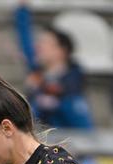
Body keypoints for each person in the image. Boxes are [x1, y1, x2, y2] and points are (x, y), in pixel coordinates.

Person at [14, 1, 93, 129]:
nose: (39, 47)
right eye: (39, 42)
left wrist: (45, 91)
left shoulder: (74, 77)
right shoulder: (37, 71)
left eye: (45, 43)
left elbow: (81, 121)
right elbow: (25, 41)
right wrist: (22, 10)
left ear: (62, 51)